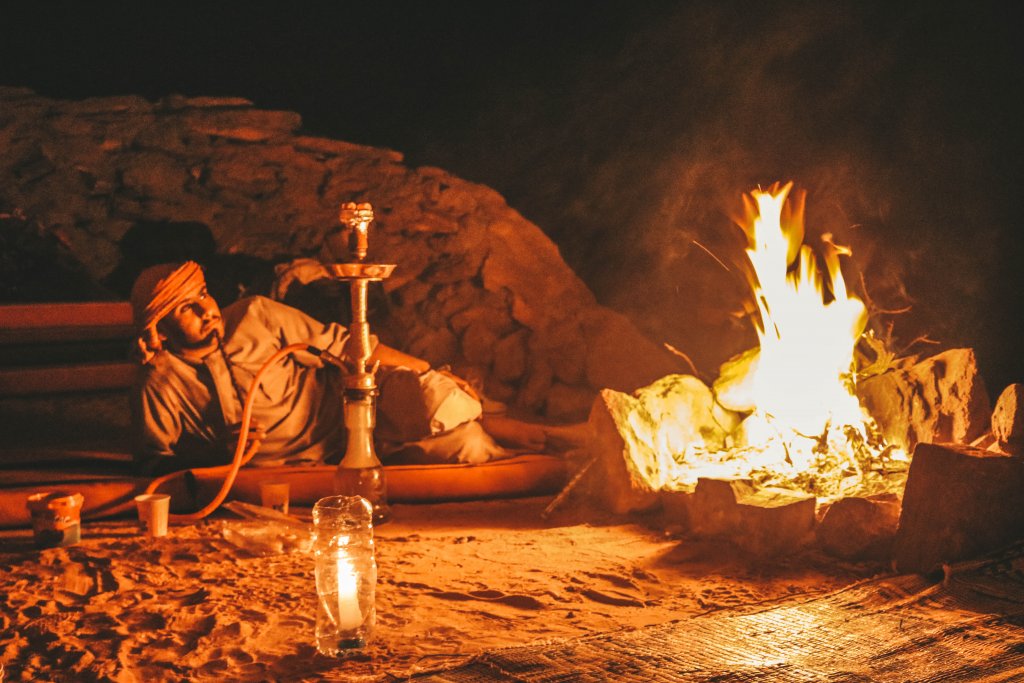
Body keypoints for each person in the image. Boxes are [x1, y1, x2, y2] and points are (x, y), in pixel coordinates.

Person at [129, 260, 558, 476]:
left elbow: (348, 345)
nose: (207, 309)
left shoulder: (255, 315)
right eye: (187, 308)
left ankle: (546, 434)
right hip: (314, 465)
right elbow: (152, 463)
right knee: (467, 447)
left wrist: (428, 369)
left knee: (438, 396)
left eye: (203, 294)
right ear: (161, 331)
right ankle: (545, 447)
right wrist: (215, 455)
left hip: (351, 409)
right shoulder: (162, 384)